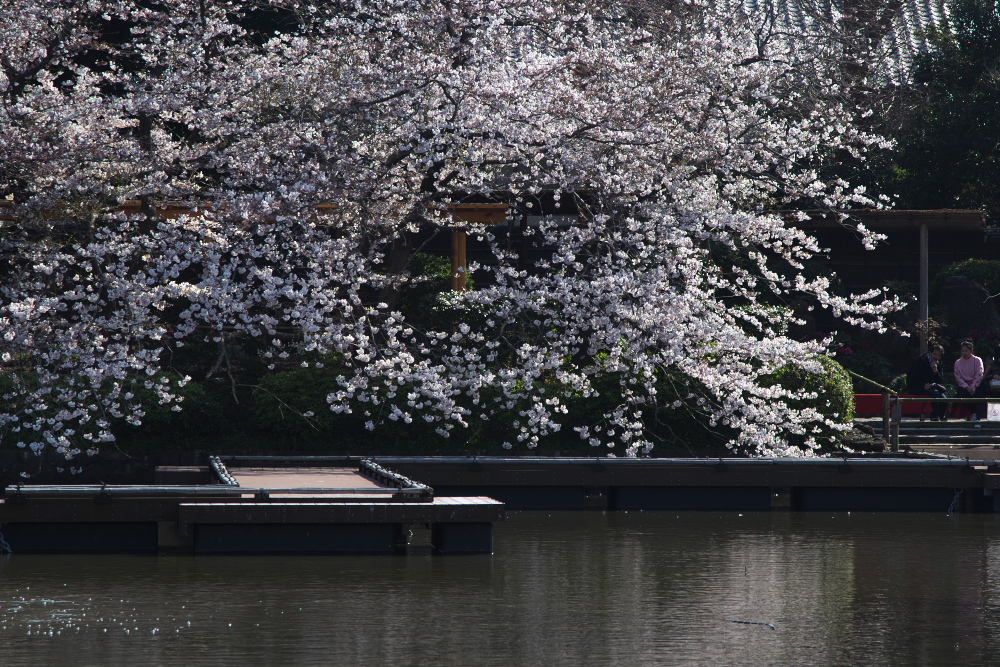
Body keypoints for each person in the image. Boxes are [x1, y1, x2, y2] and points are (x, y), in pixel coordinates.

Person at [907, 343, 948, 421]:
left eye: (938, 355)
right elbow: (913, 377)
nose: (936, 357)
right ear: (930, 353)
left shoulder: (938, 363)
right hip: (919, 388)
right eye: (934, 354)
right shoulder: (921, 361)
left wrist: (935, 371)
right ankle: (934, 416)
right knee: (935, 394)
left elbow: (940, 380)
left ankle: (942, 416)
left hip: (933, 387)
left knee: (945, 400)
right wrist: (923, 385)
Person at [954, 340, 987, 421]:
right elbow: (958, 377)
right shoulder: (958, 363)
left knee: (979, 397)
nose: (964, 353)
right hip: (964, 385)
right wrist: (967, 387)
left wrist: (973, 387)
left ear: (971, 351)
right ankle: (974, 413)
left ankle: (978, 419)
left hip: (977, 384)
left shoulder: (977, 360)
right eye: (962, 351)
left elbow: (979, 374)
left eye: (966, 351)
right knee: (963, 396)